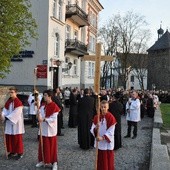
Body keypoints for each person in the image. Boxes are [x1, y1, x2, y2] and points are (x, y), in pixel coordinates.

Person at [36, 90, 60, 170]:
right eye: (43, 95)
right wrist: (38, 112)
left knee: (51, 147)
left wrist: (43, 119)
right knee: (43, 146)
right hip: (43, 129)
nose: (44, 97)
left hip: (50, 130)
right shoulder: (42, 105)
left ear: (50, 96)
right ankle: (43, 160)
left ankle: (54, 162)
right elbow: (40, 115)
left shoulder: (54, 106)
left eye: (45, 95)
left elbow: (53, 119)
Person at [90, 100, 117, 170]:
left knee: (107, 161)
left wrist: (102, 138)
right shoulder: (97, 117)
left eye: (105, 107)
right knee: (100, 161)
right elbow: (92, 128)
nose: (103, 108)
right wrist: (95, 128)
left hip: (106, 144)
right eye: (102, 107)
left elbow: (111, 131)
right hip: (99, 143)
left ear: (108, 107)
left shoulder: (111, 117)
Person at [0, 87, 25, 160]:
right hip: (9, 123)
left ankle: (20, 152)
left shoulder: (18, 102)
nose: (10, 94)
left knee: (17, 138)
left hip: (16, 123)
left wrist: (7, 117)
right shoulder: (8, 102)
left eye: (12, 92)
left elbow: (16, 113)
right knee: (9, 138)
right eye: (10, 92)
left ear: (15, 93)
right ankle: (12, 151)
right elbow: (5, 110)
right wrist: (2, 115)